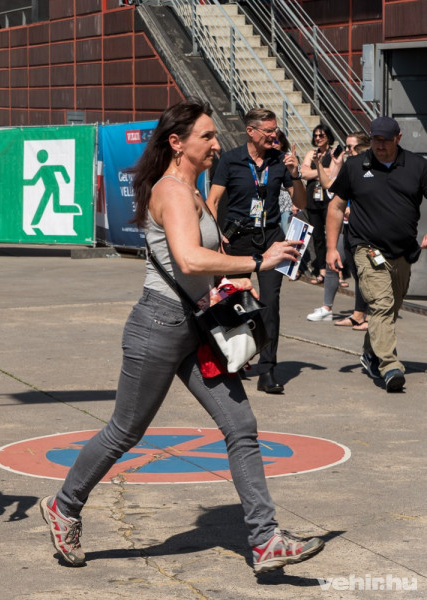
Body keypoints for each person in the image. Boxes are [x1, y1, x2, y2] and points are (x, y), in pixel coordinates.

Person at [38, 99, 322, 574]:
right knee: (125, 431)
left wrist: (232, 282)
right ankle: (63, 506)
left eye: (214, 136)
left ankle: (265, 539)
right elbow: (188, 259)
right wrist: (258, 261)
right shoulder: (171, 192)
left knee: (241, 426)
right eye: (206, 136)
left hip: (198, 325)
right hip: (159, 325)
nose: (216, 144)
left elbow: (201, 265)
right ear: (177, 143)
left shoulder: (193, 190)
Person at [206, 108, 307, 394]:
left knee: (270, 303)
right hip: (237, 239)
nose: (274, 135)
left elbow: (301, 202)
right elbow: (213, 201)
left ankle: (268, 369)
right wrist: (216, 237)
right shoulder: (230, 160)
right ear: (250, 131)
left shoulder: (279, 160)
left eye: (276, 130)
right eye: (269, 131)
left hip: (272, 239)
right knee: (235, 301)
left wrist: (295, 175)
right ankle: (235, 358)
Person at [326, 116, 427, 393]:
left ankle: (370, 354)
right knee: (381, 304)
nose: (380, 146)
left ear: (398, 138)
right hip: (366, 247)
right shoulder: (355, 166)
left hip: (403, 251)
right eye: (375, 140)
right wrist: (332, 248)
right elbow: (336, 207)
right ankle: (390, 365)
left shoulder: (417, 165)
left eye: (385, 140)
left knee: (391, 307)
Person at [307, 134, 371, 324]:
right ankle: (328, 308)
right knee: (332, 262)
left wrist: (354, 209)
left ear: (363, 147)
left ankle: (362, 314)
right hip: (347, 228)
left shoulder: (370, 169)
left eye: (351, 147)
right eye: (346, 146)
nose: (347, 150)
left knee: (361, 271)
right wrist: (319, 164)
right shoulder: (349, 167)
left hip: (364, 230)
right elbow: (328, 185)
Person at [300, 124, 337, 285]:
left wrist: (315, 172)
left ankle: (335, 271)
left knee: (332, 235)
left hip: (329, 199)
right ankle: (321, 270)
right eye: (315, 135)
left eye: (321, 135)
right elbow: (303, 173)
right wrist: (322, 172)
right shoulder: (311, 153)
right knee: (317, 236)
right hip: (313, 199)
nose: (318, 138)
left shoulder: (334, 152)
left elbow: (332, 173)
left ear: (328, 136)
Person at [272, 130, 295, 234]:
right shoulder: (268, 159)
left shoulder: (288, 158)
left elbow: (295, 181)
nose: (273, 144)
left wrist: (295, 204)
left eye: (276, 142)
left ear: (282, 143)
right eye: (271, 141)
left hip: (286, 204)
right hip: (273, 205)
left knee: (287, 234)